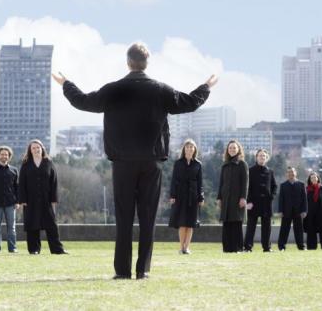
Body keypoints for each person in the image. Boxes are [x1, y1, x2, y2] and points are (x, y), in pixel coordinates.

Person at [53, 42, 216, 280]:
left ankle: (122, 271)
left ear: (128, 63)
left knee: (124, 217)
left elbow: (84, 102)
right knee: (147, 217)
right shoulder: (160, 90)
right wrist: (206, 86)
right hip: (151, 161)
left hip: (123, 161)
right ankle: (143, 270)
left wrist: (66, 84)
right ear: (146, 63)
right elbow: (190, 102)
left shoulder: (114, 89)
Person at [19, 140, 67, 255]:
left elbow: (54, 182)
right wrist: (23, 200)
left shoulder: (48, 163)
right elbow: (21, 183)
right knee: (32, 225)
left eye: (38, 147)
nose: (36, 150)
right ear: (30, 151)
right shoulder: (26, 164)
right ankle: (34, 249)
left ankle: (57, 249)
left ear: (42, 148)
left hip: (46, 200)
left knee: (51, 225)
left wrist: (54, 199)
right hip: (30, 200)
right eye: (33, 148)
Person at [168, 139, 204, 255]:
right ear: (184, 149)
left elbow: (200, 183)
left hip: (193, 196)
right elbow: (174, 180)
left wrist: (201, 197)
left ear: (194, 150)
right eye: (187, 147)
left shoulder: (198, 164)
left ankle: (187, 247)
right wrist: (172, 195)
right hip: (180, 195)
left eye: (191, 147)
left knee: (191, 223)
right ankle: (181, 247)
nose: (189, 149)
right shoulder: (178, 163)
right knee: (182, 223)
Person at [0, 146, 21, 253]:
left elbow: (17, 188)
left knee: (12, 227)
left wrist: (18, 201)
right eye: (2, 154)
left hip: (11, 203)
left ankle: (12, 248)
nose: (4, 156)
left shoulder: (14, 170)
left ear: (9, 156)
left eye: (6, 154)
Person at [216, 140, 248, 253]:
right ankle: (227, 248)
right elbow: (221, 183)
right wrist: (219, 198)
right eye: (230, 148)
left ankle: (238, 248)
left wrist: (243, 198)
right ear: (227, 150)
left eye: (234, 148)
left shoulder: (242, 164)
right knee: (226, 223)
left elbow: (245, 182)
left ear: (238, 149)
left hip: (237, 199)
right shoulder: (225, 164)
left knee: (236, 223)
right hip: (226, 198)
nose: (232, 150)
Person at [244, 148, 277, 252]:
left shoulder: (270, 171)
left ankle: (267, 247)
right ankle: (248, 247)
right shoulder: (250, 170)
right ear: (256, 157)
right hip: (253, 203)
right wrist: (248, 201)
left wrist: (272, 196)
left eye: (264, 156)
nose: (262, 157)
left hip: (266, 203)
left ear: (266, 158)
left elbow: (274, 186)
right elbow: (247, 187)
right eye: (260, 155)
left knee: (267, 227)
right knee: (251, 226)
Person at [277, 167, 307, 251]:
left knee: (299, 230)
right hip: (286, 211)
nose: (291, 174)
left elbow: (304, 199)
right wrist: (280, 211)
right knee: (284, 229)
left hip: (298, 211)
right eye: (289, 172)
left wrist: (304, 210)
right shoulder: (283, 185)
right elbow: (281, 199)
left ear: (295, 173)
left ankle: (301, 246)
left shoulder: (301, 184)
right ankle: (281, 246)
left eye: (293, 172)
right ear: (287, 174)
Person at [303, 172, 322, 250]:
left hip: (320, 214)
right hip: (309, 214)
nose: (314, 179)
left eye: (315, 177)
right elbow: (304, 201)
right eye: (312, 178)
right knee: (311, 231)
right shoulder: (306, 189)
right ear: (310, 180)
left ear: (318, 178)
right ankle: (311, 247)